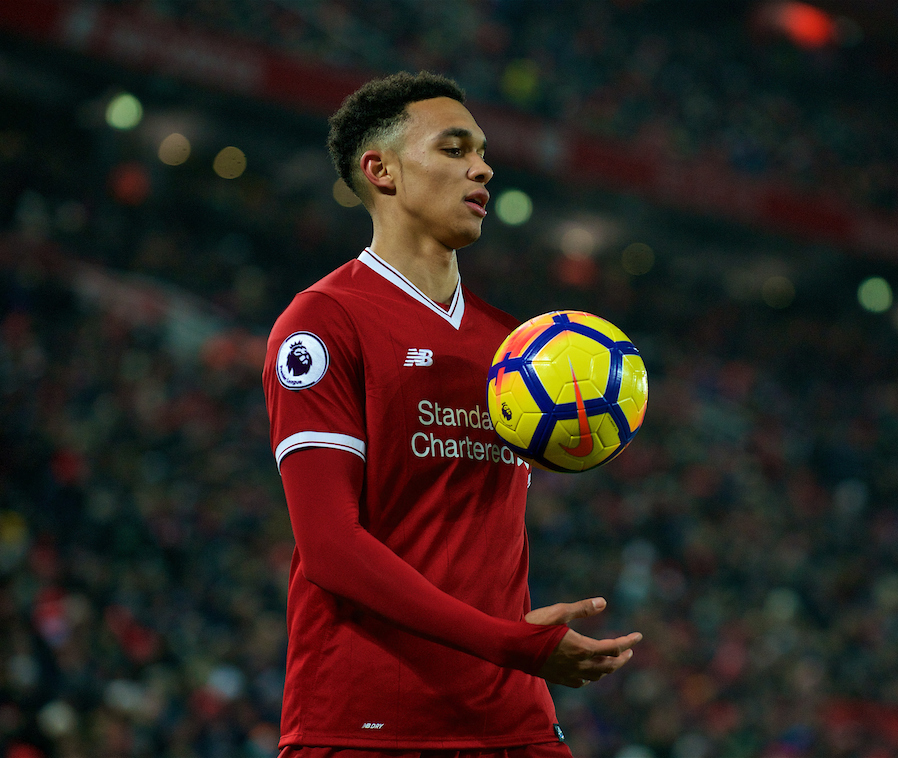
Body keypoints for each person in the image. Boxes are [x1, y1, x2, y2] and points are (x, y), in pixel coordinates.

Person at [262, 71, 642, 757]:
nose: (484, 166)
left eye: (484, 150)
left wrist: (514, 642)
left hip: (514, 721)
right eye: (454, 148)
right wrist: (511, 641)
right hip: (367, 725)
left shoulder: (521, 349)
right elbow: (330, 549)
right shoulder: (323, 323)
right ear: (380, 170)